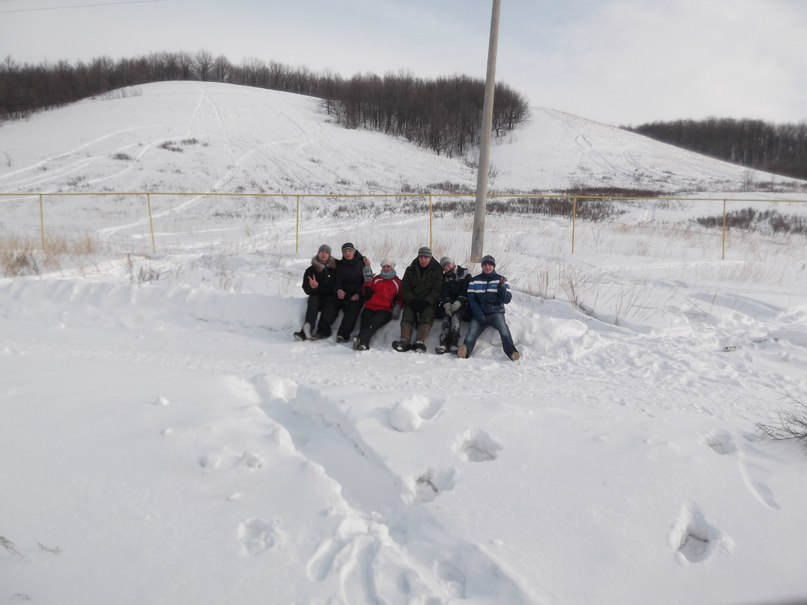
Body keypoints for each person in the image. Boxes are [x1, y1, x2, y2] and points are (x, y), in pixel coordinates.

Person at [458, 254, 520, 361]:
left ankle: (512, 352)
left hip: (496, 313)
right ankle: (465, 351)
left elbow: (507, 299)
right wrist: (479, 315)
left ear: (494, 266)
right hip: (479, 314)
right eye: (485, 264)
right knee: (472, 332)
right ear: (482, 266)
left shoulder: (501, 280)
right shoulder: (474, 280)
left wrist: (501, 288)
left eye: (490, 264)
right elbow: (472, 300)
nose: (487, 266)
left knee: (504, 329)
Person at [392, 246, 444, 353]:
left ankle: (420, 341)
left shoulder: (437, 269)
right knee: (408, 313)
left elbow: (438, 288)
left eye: (426, 257)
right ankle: (404, 341)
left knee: (428, 314)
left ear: (430, 258)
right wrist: (411, 300)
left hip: (428, 301)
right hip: (413, 299)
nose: (423, 260)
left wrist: (427, 301)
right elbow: (405, 287)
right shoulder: (410, 269)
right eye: (421, 257)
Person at [353, 259, 402, 350]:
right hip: (370, 306)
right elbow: (366, 294)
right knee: (365, 322)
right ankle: (364, 343)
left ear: (393, 268)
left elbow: (401, 298)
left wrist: (398, 307)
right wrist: (367, 281)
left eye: (388, 266)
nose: (386, 268)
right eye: (384, 266)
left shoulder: (398, 282)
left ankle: (360, 338)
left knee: (373, 323)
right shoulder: (376, 279)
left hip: (385, 309)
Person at [293, 244, 337, 341]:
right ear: (318, 254)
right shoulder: (310, 270)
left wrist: (319, 287)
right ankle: (306, 330)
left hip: (330, 297)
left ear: (329, 255)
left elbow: (336, 286)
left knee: (331, 302)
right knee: (313, 299)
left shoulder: (335, 268)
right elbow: (306, 289)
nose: (324, 254)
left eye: (326, 252)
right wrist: (312, 287)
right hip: (317, 296)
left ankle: (323, 331)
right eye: (322, 252)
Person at [435, 256, 471, 354]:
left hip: (464, 306)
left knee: (455, 318)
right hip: (450, 306)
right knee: (446, 318)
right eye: (444, 267)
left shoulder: (464, 274)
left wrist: (459, 301)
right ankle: (443, 343)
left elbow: (467, 290)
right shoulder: (444, 279)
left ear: (453, 263)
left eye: (448, 265)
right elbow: (444, 293)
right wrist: (447, 304)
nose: (447, 268)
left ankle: (453, 343)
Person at [332, 242, 367, 343]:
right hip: (344, 293)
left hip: (358, 293)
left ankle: (342, 335)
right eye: (345, 252)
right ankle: (322, 330)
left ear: (354, 252)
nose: (347, 253)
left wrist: (358, 294)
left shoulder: (363, 263)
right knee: (331, 304)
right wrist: (338, 289)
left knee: (353, 309)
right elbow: (337, 281)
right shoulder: (340, 264)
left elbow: (367, 282)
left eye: (349, 251)